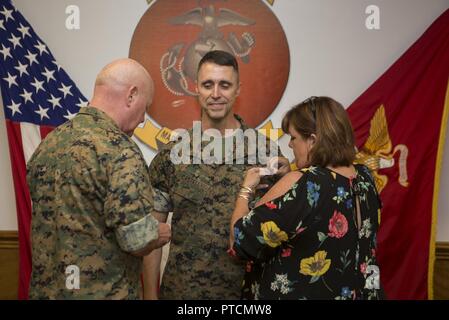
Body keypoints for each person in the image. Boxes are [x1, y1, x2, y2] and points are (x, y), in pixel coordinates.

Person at [143, 50, 288, 299]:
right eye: (208, 85)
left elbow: (285, 232)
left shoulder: (266, 153)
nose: (216, 94)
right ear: (196, 88)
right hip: (182, 294)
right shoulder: (172, 155)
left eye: (225, 85)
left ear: (238, 89)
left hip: (247, 294)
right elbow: (151, 235)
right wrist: (149, 296)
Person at [27, 58, 171, 299]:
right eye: (145, 108)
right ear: (131, 95)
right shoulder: (119, 149)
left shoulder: (49, 143)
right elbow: (136, 240)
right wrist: (161, 231)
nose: (144, 119)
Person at [230, 96, 385, 300]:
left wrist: (245, 191)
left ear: (312, 140)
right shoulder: (365, 177)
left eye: (293, 138)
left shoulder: (303, 183)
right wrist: (292, 175)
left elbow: (239, 242)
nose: (291, 146)